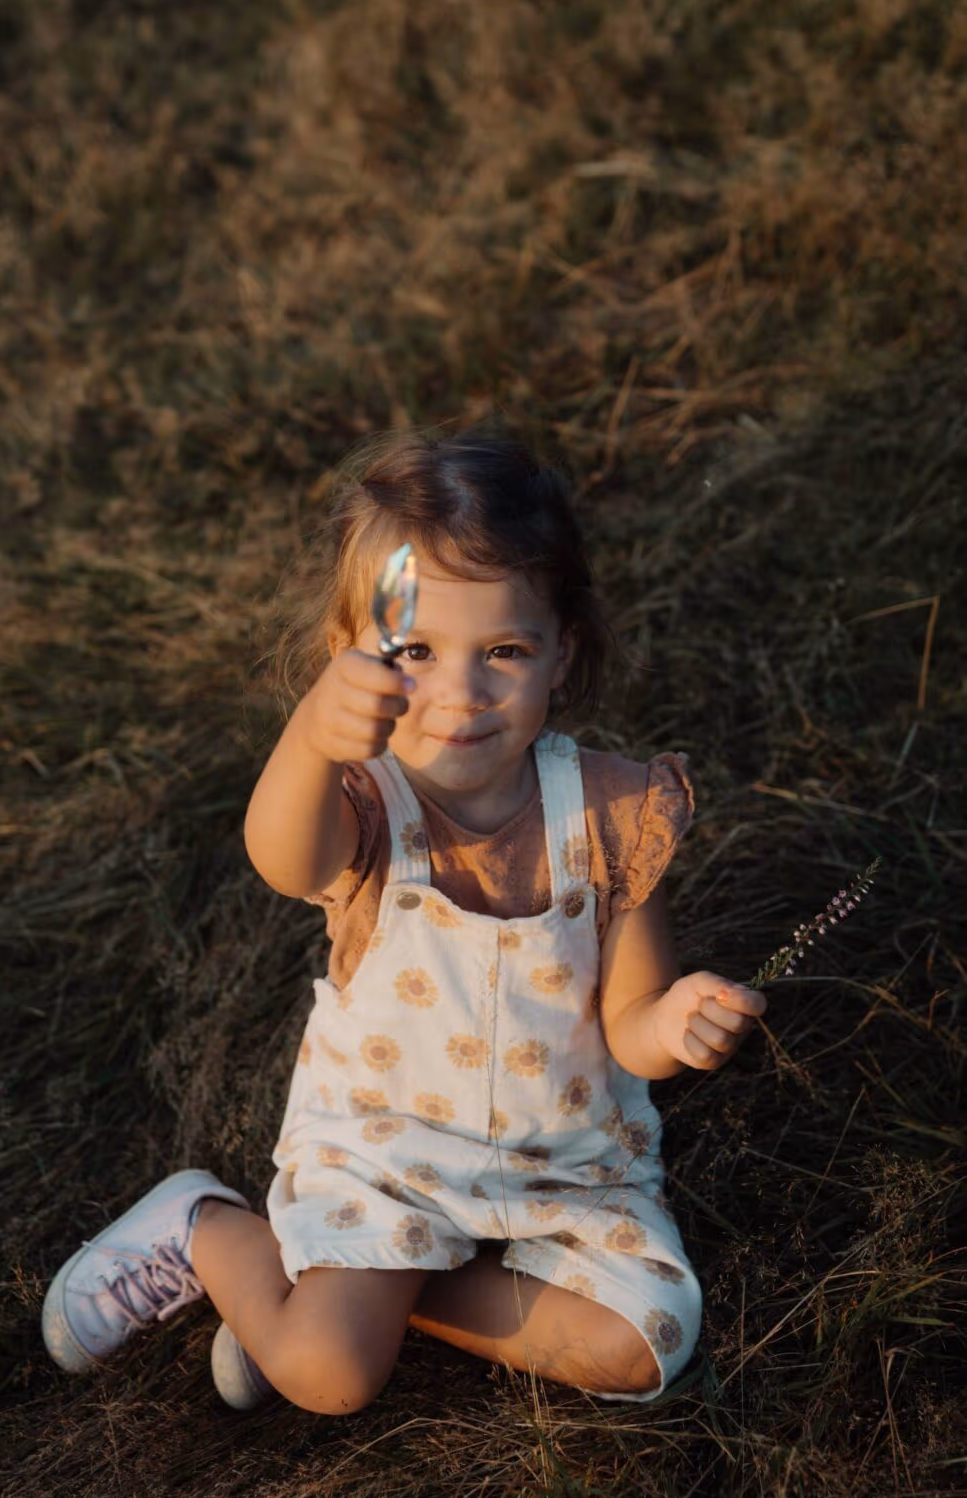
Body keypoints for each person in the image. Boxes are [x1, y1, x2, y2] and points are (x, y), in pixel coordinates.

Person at [42, 425, 767, 1415]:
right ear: (352, 654)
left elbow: (628, 1028)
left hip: (559, 1163)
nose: (459, 694)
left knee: (643, 1347)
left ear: (562, 650)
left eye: (502, 650)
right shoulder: (366, 806)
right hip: (393, 1150)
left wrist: (674, 1021)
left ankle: (338, 1296)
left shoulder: (610, 811)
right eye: (414, 650)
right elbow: (280, 857)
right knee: (332, 1379)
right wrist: (307, 737)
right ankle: (211, 1233)